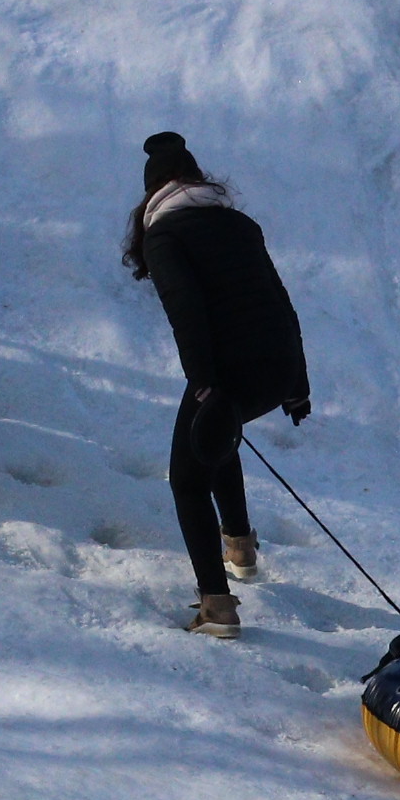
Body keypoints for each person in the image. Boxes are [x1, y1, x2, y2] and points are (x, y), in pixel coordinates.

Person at [122, 132, 309, 640]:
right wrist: (297, 383)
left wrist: (204, 382)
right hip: (277, 368)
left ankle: (217, 605)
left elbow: (187, 310)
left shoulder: (164, 234)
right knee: (216, 437)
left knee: (187, 477)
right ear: (199, 180)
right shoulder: (239, 224)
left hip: (227, 370)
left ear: (152, 193)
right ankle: (240, 546)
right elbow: (280, 301)